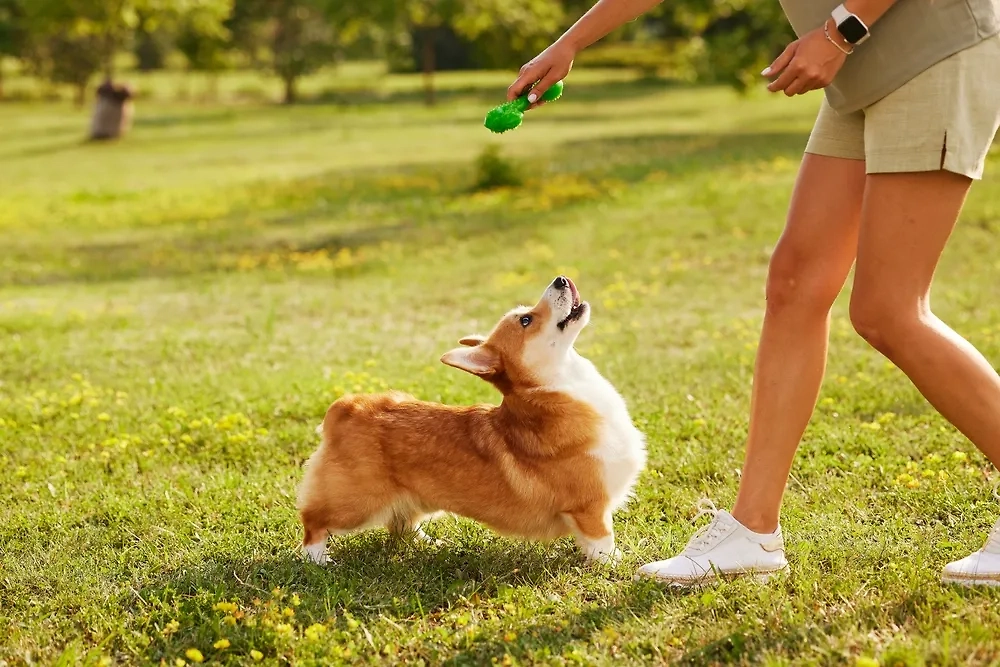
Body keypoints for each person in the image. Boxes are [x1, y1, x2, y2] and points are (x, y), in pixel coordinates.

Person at [508, 0, 1000, 587]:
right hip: (862, 67)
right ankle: (752, 531)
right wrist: (571, 43)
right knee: (794, 285)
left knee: (888, 310)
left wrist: (838, 33)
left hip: (934, 51)